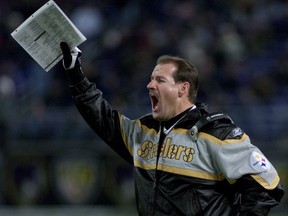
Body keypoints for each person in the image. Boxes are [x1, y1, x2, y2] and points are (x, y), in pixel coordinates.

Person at [59, 42, 284, 216]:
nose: (150, 85)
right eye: (150, 79)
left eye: (160, 80)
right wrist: (75, 74)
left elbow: (268, 185)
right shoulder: (144, 132)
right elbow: (102, 118)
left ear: (182, 88)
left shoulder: (216, 134)